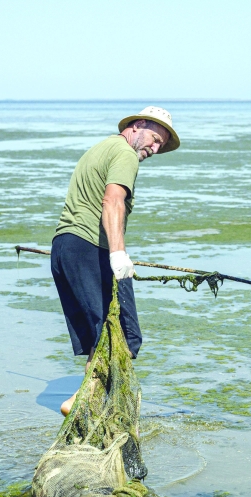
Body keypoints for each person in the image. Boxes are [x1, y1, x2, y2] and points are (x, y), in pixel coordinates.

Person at [51, 106, 180, 416]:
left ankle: (90, 404)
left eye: (160, 145)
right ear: (136, 126)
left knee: (103, 334)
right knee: (125, 335)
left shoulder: (100, 148)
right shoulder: (124, 154)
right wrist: (118, 254)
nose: (155, 147)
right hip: (89, 248)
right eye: (154, 138)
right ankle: (82, 401)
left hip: (66, 247)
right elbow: (113, 200)